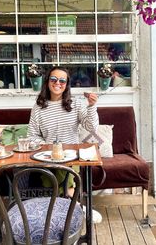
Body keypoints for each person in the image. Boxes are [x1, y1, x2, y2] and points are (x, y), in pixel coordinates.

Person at [27, 65, 102, 223]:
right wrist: (48, 147)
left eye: (62, 80)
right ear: (47, 82)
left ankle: (65, 211)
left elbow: (91, 128)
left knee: (64, 169)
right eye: (53, 79)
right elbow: (32, 135)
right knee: (61, 171)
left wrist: (92, 106)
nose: (57, 83)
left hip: (70, 156)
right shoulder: (38, 108)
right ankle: (73, 210)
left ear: (67, 84)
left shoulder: (75, 105)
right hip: (46, 155)